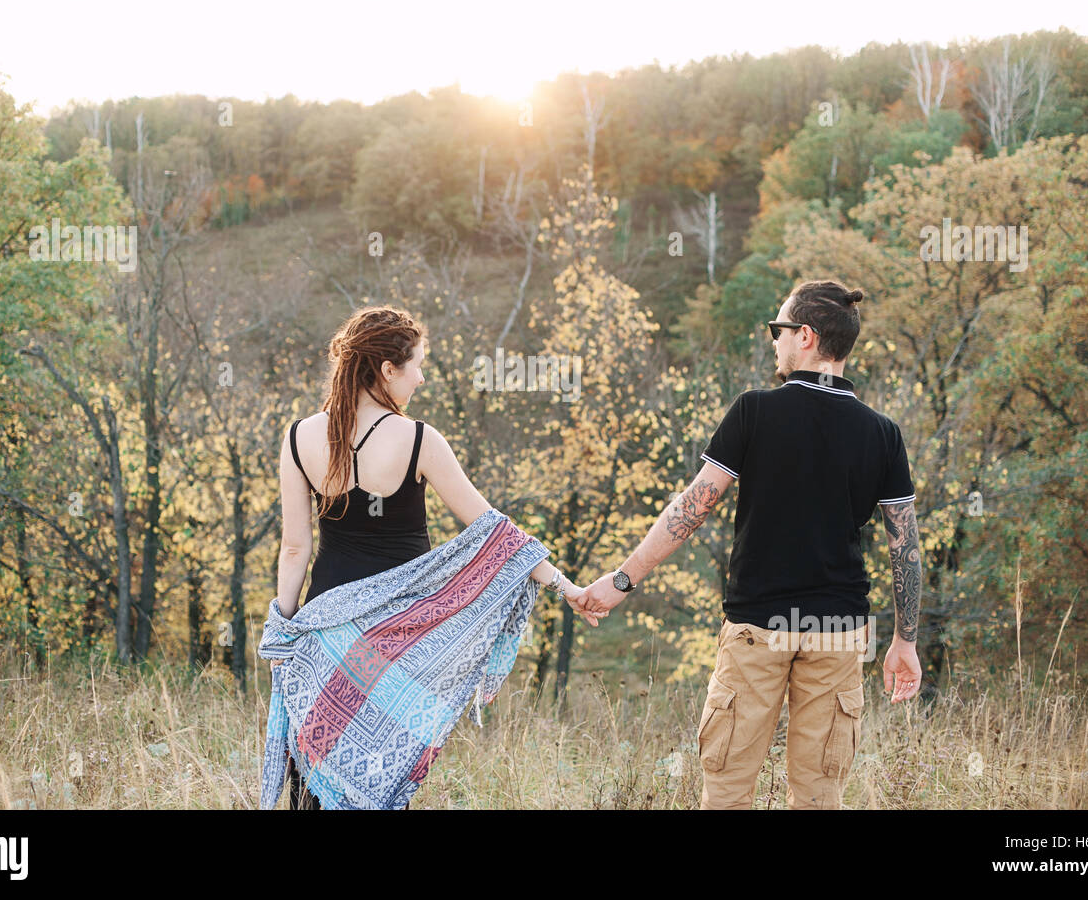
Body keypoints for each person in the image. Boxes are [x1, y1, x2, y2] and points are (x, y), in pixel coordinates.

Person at [579, 279, 923, 810]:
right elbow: (906, 545)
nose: (774, 341)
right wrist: (905, 640)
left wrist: (623, 580)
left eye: (778, 329)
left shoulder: (755, 411)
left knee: (727, 787)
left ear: (805, 336)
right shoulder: (883, 433)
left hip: (759, 625)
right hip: (837, 629)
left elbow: (691, 509)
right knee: (819, 795)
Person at [271, 305, 603, 809]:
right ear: (387, 370)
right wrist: (566, 586)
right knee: (378, 778)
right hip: (397, 641)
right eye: (417, 365)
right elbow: (494, 530)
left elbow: (295, 548)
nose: (421, 378)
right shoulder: (419, 439)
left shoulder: (300, 437)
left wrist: (285, 628)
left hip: (324, 631)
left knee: (314, 778)